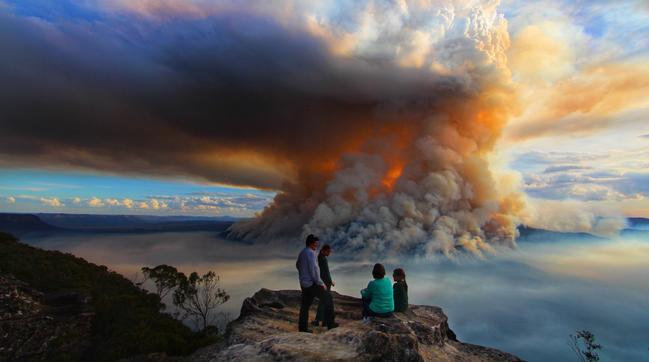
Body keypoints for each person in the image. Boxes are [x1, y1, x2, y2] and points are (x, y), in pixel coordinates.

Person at [296, 234, 338, 332]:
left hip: (303, 284)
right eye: (315, 244)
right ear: (311, 244)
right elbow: (314, 270)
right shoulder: (311, 253)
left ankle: (302, 328)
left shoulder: (302, 252)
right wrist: (320, 283)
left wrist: (303, 274)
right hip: (312, 284)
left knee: (305, 306)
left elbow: (297, 265)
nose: (316, 246)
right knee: (328, 297)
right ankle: (330, 323)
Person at [312, 244, 335, 327]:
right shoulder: (323, 259)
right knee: (325, 302)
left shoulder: (320, 257)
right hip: (325, 283)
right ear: (324, 251)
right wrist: (330, 281)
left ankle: (320, 321)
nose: (329, 253)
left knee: (323, 302)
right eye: (328, 251)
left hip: (323, 282)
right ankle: (321, 321)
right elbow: (326, 272)